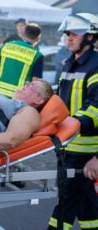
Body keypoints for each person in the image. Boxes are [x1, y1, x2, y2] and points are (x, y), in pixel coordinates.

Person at [48, 13, 98, 230]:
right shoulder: (70, 64)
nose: (69, 37)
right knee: (86, 206)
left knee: (66, 205)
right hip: (69, 148)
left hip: (87, 152)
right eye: (68, 33)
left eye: (75, 33)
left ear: (90, 37)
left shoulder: (95, 66)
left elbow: (95, 107)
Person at [0, 23, 43, 98]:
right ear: (38, 39)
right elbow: (35, 81)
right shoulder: (37, 55)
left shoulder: (7, 46)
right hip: (18, 98)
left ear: (23, 34)